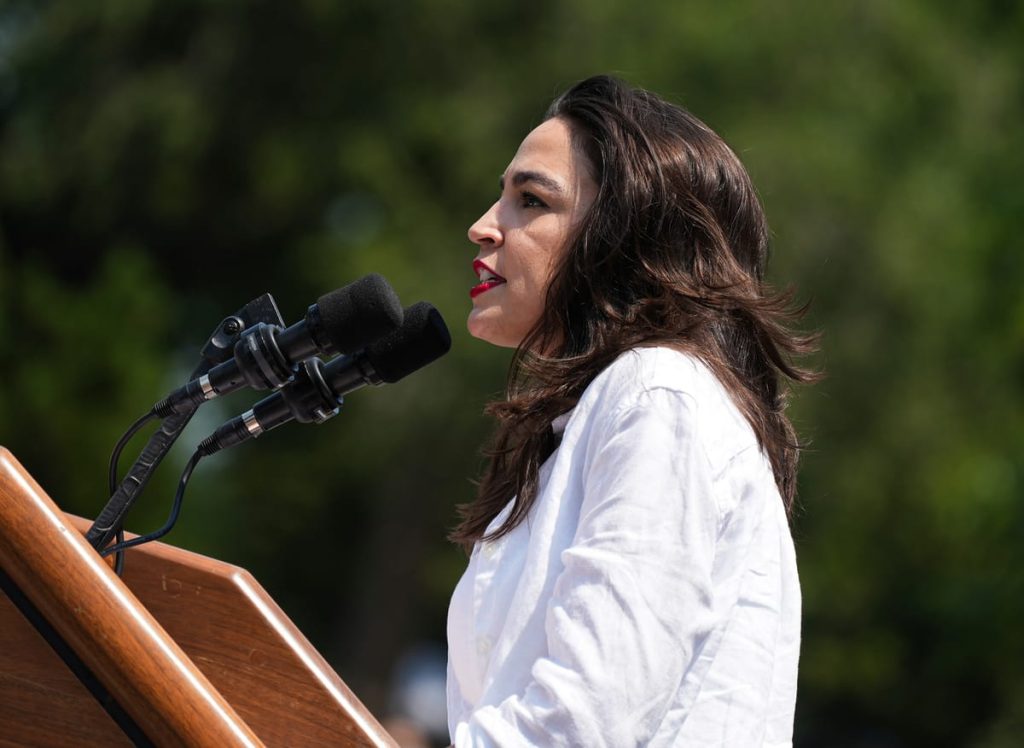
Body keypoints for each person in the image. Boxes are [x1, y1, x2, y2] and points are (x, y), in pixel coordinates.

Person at [446, 75, 815, 747]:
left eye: (531, 200)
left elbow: (584, 723)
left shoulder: (659, 397)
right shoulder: (614, 409)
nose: (483, 226)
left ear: (622, 237)